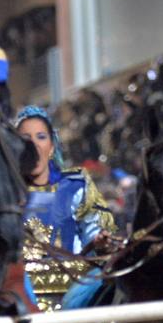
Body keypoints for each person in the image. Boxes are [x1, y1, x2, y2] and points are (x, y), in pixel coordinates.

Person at [15, 105, 115, 258]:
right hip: (22, 279)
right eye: (26, 138)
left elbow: (93, 230)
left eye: (41, 136)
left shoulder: (75, 185)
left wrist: (99, 240)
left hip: (76, 277)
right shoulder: (7, 195)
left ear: (52, 147)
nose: (33, 145)